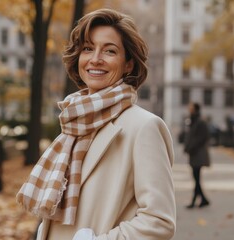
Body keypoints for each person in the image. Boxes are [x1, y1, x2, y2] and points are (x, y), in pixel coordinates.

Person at [16, 8, 176, 240]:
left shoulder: (144, 127)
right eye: (88, 49)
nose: (95, 59)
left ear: (128, 64)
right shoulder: (74, 124)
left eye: (110, 51)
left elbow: (159, 221)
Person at [183, 102, 211, 209]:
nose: (189, 109)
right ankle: (203, 199)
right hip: (194, 153)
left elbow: (203, 137)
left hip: (198, 154)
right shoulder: (192, 121)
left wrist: (191, 147)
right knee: (196, 178)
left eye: (191, 108)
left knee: (196, 178)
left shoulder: (200, 122)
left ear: (195, 109)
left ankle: (197, 200)